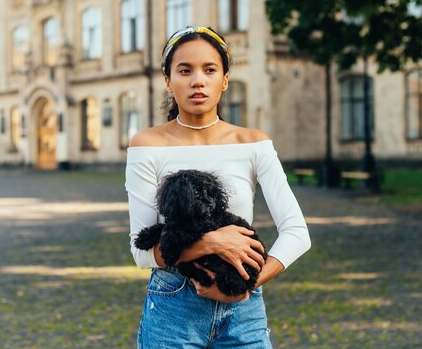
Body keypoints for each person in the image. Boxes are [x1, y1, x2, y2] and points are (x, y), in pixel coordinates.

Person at [125, 25, 311, 348]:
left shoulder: (253, 143)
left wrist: (246, 286)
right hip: (173, 308)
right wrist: (213, 241)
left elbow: (297, 232)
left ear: (224, 79)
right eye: (184, 70)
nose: (198, 80)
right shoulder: (147, 145)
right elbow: (142, 253)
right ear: (168, 81)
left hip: (244, 312)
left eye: (209, 69)